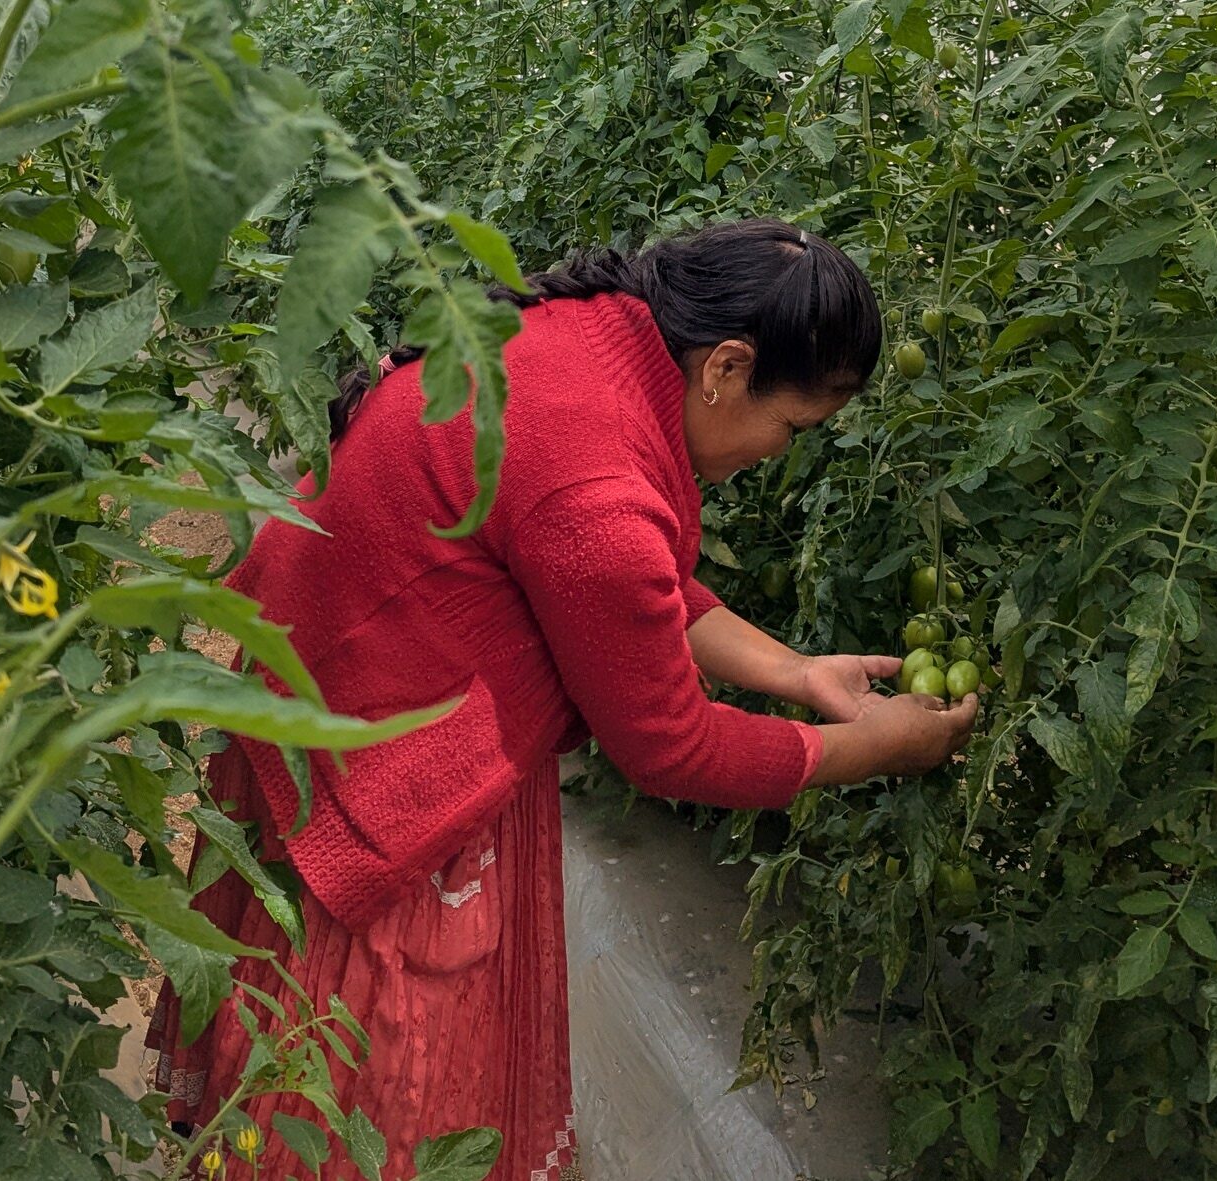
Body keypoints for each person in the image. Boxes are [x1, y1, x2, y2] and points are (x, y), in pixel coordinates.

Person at [144, 218, 980, 1179]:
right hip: (381, 758)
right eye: (789, 426)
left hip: (311, 681)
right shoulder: (597, 492)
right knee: (369, 1080)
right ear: (726, 368)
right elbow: (671, 742)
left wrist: (795, 671)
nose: (776, 452)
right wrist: (875, 747)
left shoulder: (593, 339)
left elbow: (617, 581)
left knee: (285, 1009)